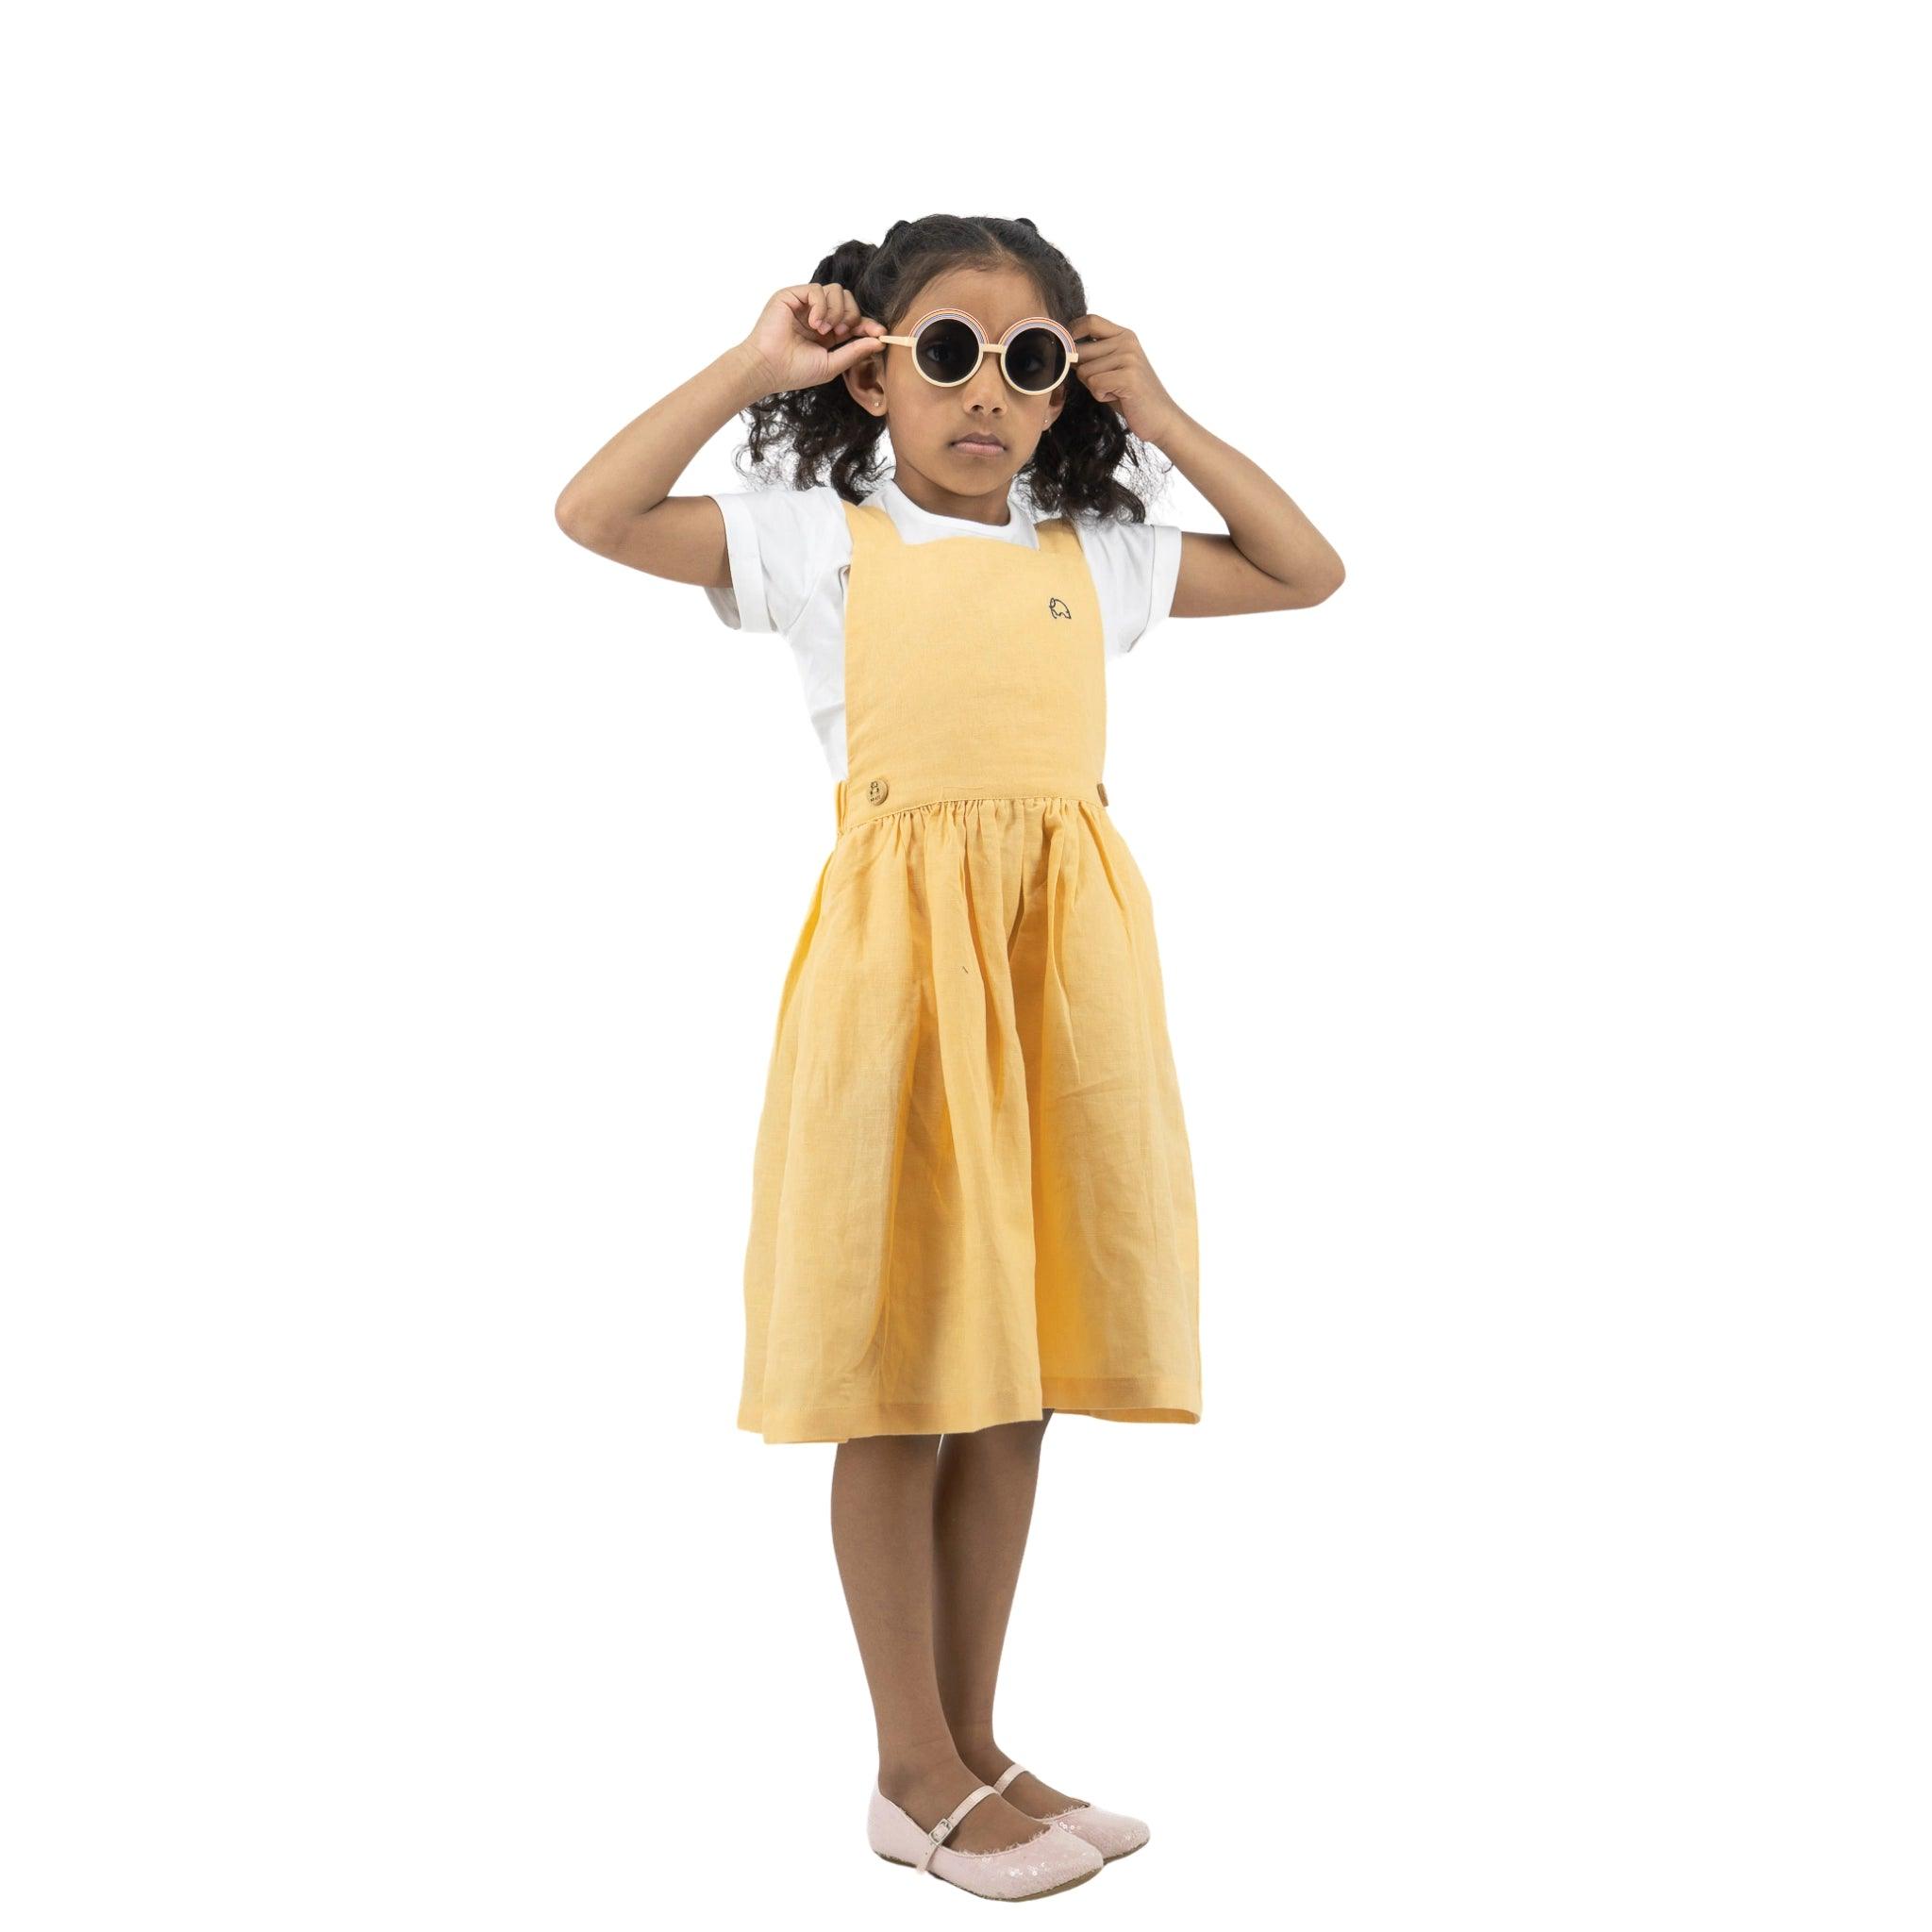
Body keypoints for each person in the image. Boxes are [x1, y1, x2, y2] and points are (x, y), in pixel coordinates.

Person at [556, 213, 1344, 1901]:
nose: (986, 389)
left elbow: (1305, 569)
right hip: (906, 994)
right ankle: (906, 1767)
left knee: (1021, 1379)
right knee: (910, 1369)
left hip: (1063, 996)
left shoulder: (1095, 555)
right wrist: (751, 367)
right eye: (947, 351)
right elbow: (596, 513)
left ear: (1070, 391)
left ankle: (974, 1753)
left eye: (1032, 359)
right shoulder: (820, 544)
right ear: (878, 372)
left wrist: (1173, 417)